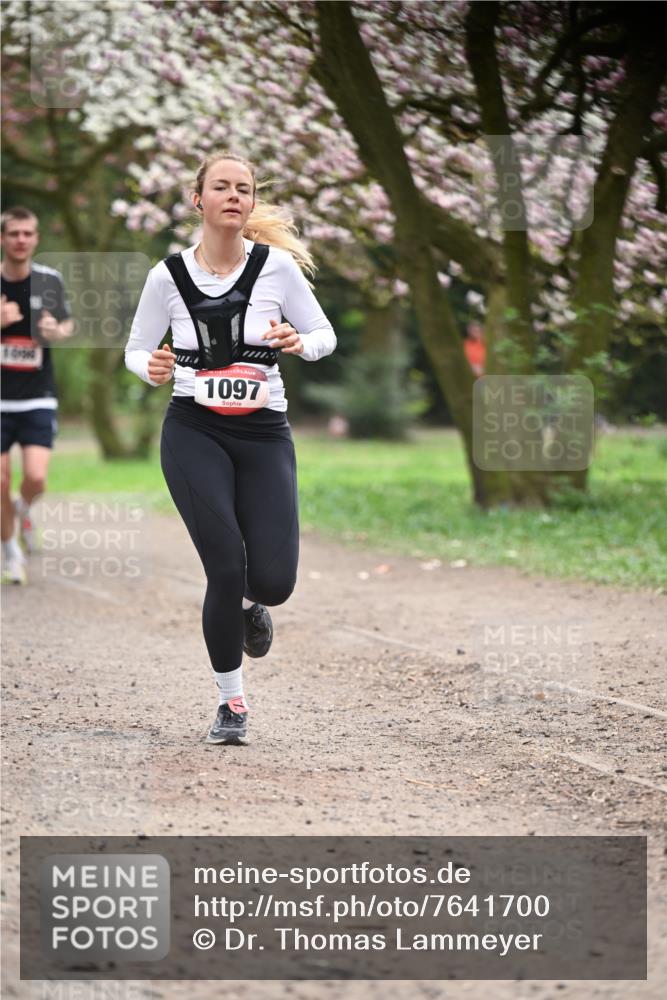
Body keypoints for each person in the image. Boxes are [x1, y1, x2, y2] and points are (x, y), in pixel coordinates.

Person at [125, 152, 336, 744]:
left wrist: (299, 342)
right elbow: (135, 349)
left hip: (264, 432)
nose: (234, 195)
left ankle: (252, 604)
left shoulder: (278, 270)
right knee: (223, 563)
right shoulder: (167, 276)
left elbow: (325, 334)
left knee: (272, 581)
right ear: (199, 200)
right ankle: (232, 703)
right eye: (221, 186)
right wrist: (154, 367)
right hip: (194, 429)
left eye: (243, 188)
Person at [1, 206, 73, 585]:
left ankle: (20, 508)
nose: (21, 240)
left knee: (36, 478)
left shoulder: (49, 281)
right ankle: (10, 551)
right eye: (13, 233)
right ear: (2, 238)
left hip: (37, 396)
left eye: (28, 233)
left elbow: (67, 324)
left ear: (36, 238)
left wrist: (54, 332)